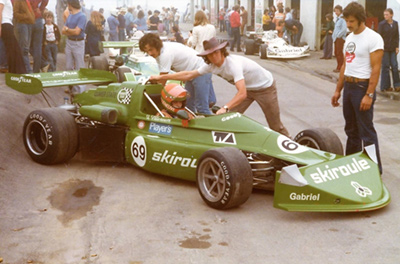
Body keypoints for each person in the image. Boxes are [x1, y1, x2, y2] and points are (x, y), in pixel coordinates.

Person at [150, 37, 290, 137]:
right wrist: (161, 77)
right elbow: (188, 75)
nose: (214, 56)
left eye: (216, 52)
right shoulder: (210, 66)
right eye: (210, 54)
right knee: (229, 120)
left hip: (265, 87)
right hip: (248, 89)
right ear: (207, 57)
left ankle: (293, 148)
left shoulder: (233, 64)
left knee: (275, 125)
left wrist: (225, 107)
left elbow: (241, 93)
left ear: (222, 51)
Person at [331, 2, 384, 174]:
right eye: (346, 21)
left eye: (351, 21)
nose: (348, 24)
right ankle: (352, 168)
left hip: (362, 87)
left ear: (361, 20)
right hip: (349, 86)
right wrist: (338, 90)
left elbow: (376, 68)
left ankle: (373, 171)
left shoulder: (373, 38)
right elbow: (346, 65)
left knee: (366, 131)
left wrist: (369, 94)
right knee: (351, 130)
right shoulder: (350, 38)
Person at [139, 33, 216, 115]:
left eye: (151, 50)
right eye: (147, 51)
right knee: (188, 107)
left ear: (156, 45)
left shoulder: (164, 54)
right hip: (190, 72)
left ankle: (212, 127)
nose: (149, 54)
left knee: (202, 107)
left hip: (200, 70)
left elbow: (162, 81)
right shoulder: (161, 50)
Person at [62, 0, 87, 94]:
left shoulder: (82, 16)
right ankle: (71, 86)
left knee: (79, 67)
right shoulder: (70, 16)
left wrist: (68, 29)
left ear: (70, 4)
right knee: (68, 67)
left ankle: (80, 90)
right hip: (69, 42)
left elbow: (77, 32)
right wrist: (69, 30)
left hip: (78, 43)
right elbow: (63, 31)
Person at [0, 0, 26, 73]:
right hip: (5, 24)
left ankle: (13, 71)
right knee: (14, 49)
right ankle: (18, 71)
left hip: (7, 24)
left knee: (12, 49)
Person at [378, 8, 400, 92]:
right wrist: (380, 48)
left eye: (387, 15)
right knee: (385, 66)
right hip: (385, 48)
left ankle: (397, 85)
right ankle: (385, 86)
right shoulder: (382, 24)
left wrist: (397, 47)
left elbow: (396, 36)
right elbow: (379, 37)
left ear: (391, 15)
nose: (385, 16)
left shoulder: (395, 24)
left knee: (394, 66)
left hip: (393, 48)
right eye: (384, 15)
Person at [13, 0, 35, 73]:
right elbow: (15, 13)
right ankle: (27, 70)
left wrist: (31, 17)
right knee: (24, 49)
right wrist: (27, 16)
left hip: (29, 24)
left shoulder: (27, 1)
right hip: (22, 24)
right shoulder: (19, 1)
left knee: (26, 48)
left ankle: (24, 69)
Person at [29, 0, 48, 73]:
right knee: (37, 47)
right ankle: (37, 70)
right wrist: (41, 8)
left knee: (28, 47)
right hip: (39, 19)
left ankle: (43, 64)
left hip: (30, 18)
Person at [332, 5, 347, 73]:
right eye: (335, 11)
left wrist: (338, 35)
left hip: (340, 39)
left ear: (341, 11)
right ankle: (339, 66)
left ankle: (340, 67)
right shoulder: (338, 19)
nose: (336, 12)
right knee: (336, 53)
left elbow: (344, 29)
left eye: (337, 11)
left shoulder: (342, 19)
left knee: (339, 53)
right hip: (336, 38)